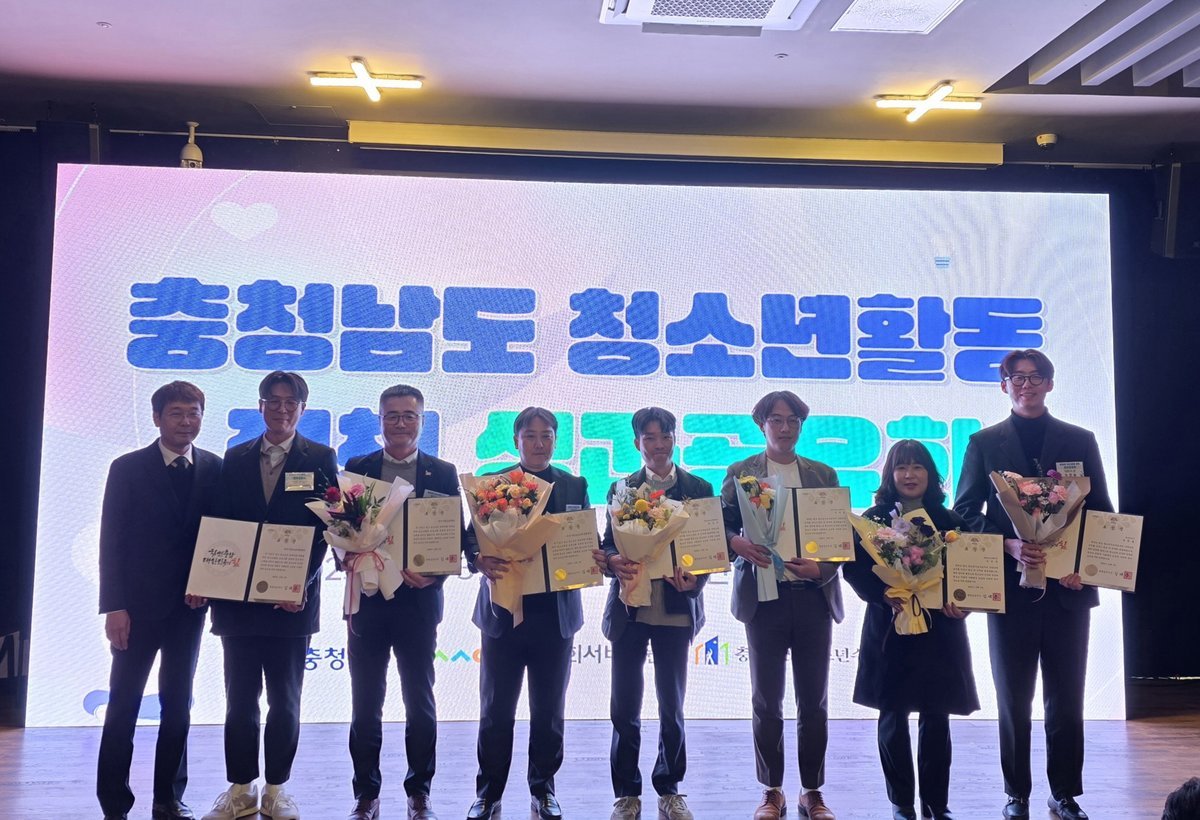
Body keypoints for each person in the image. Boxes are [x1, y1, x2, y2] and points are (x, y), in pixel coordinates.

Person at [953, 349, 1113, 820]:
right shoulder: (984, 442)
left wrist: (1087, 566)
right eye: (1017, 377)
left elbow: (1100, 511)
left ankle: (1063, 794)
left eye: (1035, 376)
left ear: (1050, 382)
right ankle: (1016, 793)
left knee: (1067, 698)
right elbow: (965, 513)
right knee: (1013, 699)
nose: (1027, 384)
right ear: (1004, 385)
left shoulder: (1079, 440)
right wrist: (1007, 544)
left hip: (1068, 590)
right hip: (1009, 590)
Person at [200, 371, 338, 820]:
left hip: (291, 604)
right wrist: (209, 579)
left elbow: (329, 529)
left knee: (285, 700)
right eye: (273, 401)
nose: (281, 410)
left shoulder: (320, 457)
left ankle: (276, 788)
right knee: (240, 700)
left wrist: (302, 584)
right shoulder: (235, 456)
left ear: (302, 408)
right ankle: (241, 788)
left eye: (290, 402)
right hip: (237, 602)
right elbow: (220, 524)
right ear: (260, 406)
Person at [96, 381, 222, 820]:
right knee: (123, 705)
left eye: (193, 413)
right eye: (176, 413)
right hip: (135, 610)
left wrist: (210, 582)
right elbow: (111, 540)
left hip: (190, 608)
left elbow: (221, 536)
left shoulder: (215, 467)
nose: (186, 421)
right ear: (156, 418)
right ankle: (114, 803)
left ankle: (168, 798)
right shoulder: (127, 468)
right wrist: (114, 606)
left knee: (178, 705)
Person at [342, 384, 464, 820]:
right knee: (365, 703)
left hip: (418, 602)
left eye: (409, 415)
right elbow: (343, 530)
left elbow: (456, 536)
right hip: (369, 601)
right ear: (380, 421)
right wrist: (347, 554)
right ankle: (366, 793)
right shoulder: (358, 468)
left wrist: (435, 573)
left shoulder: (442, 472)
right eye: (391, 415)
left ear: (422, 422)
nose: (400, 423)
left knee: (420, 701)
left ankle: (419, 792)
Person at [721, 390, 844, 820]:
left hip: (812, 597)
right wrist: (736, 542)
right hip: (763, 599)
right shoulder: (741, 472)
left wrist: (821, 569)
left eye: (793, 420)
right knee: (766, 700)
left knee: (814, 701)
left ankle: (812, 791)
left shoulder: (822, 474)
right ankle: (771, 790)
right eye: (776, 419)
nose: (785, 427)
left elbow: (838, 538)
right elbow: (721, 525)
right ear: (762, 424)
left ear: (801, 425)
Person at [842, 440, 978, 820]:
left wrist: (964, 602)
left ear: (931, 474)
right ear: (890, 474)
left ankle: (936, 803)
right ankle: (901, 802)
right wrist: (884, 593)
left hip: (940, 630)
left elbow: (970, 571)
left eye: (918, 467)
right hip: (890, 626)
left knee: (936, 716)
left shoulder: (950, 521)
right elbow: (854, 569)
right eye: (901, 467)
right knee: (893, 713)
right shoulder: (874, 520)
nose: (910, 474)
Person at [466, 407, 591, 820]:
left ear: (556, 440)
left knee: (549, 711)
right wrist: (477, 558)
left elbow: (585, 539)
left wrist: (592, 558)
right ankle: (488, 793)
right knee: (495, 710)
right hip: (504, 611)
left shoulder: (573, 484)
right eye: (531, 436)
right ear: (516, 441)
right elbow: (471, 538)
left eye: (547, 436)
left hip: (555, 616)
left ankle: (544, 789)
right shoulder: (494, 483)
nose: (539, 443)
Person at [593, 407, 711, 820]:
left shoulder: (698, 487)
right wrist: (613, 561)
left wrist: (695, 581)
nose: (658, 446)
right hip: (630, 608)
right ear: (637, 443)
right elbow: (609, 543)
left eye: (665, 437)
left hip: (675, 608)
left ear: (675, 439)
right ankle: (626, 793)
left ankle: (670, 788)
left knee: (671, 706)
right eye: (650, 438)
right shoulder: (621, 488)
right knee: (625, 706)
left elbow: (708, 548)